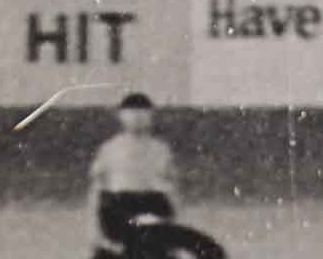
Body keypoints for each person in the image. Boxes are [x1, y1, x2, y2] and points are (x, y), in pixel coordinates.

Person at [87, 92, 227, 259]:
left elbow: (172, 192)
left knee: (211, 251)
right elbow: (97, 192)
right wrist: (96, 235)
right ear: (121, 116)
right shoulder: (109, 150)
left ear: (151, 115)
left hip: (155, 210)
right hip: (120, 213)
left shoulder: (161, 151)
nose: (137, 118)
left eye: (142, 112)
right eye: (132, 113)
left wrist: (175, 224)